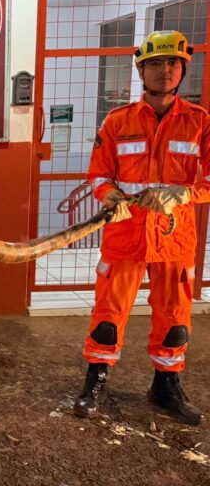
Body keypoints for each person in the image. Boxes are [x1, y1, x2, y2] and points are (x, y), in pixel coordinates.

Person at [74, 29, 207, 426]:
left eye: (171, 63)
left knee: (174, 317)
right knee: (108, 314)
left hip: (174, 238)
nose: (163, 71)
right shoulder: (118, 121)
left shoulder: (200, 123)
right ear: (141, 70)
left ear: (183, 69)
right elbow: (99, 175)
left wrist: (184, 195)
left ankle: (166, 385)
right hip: (125, 235)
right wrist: (111, 197)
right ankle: (95, 381)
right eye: (154, 64)